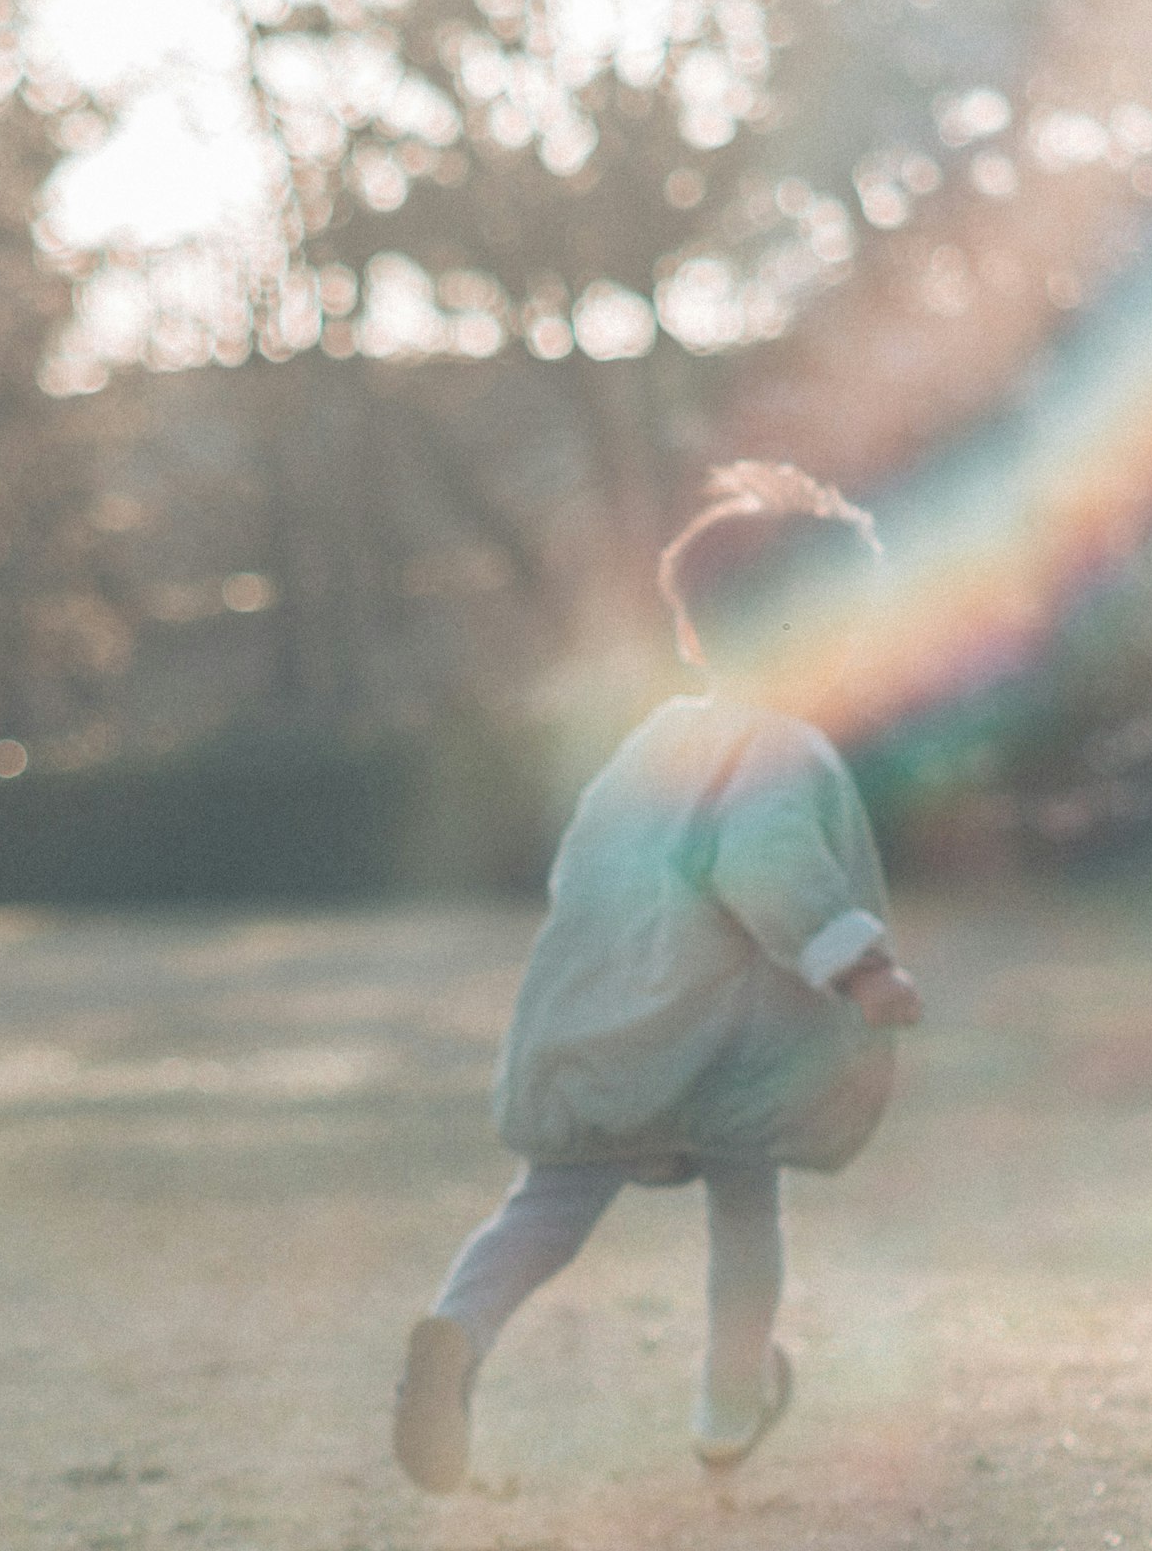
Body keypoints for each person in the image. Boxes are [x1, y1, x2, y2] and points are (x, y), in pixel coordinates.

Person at [394, 461, 922, 1493]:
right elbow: (767, 865)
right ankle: (729, 1405)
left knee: (548, 1204)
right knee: (745, 1204)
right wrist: (859, 967)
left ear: (694, 635)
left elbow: (585, 875)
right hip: (729, 1048)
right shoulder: (784, 748)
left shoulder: (649, 747)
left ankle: (459, 1328)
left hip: (615, 1025)